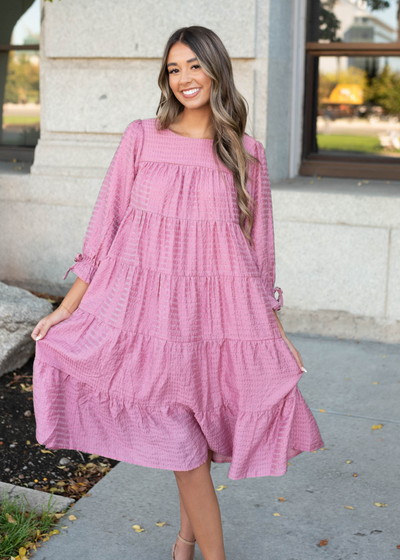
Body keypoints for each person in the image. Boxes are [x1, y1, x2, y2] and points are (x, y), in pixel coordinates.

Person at [31, 25, 324, 560]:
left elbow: (259, 256)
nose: (185, 78)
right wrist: (68, 309)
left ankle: (185, 541)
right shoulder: (142, 136)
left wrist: (276, 335)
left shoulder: (246, 153)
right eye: (174, 68)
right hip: (148, 320)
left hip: (216, 323)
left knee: (198, 442)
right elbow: (107, 225)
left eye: (194, 65)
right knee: (185, 452)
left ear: (216, 69)